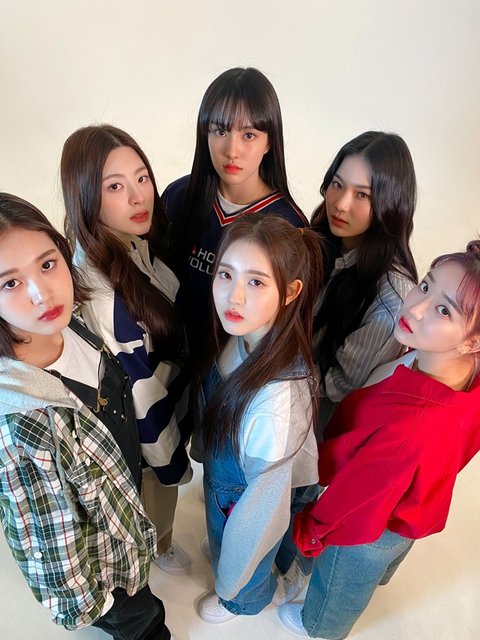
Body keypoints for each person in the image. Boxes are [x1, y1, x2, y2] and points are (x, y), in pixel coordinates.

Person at [278, 240, 480, 639]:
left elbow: (355, 501)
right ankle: (377, 577)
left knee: (341, 583)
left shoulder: (409, 426)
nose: (416, 307)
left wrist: (311, 530)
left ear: (472, 342)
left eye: (444, 310)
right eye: (426, 285)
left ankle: (319, 626)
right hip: (417, 503)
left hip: (372, 523)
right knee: (383, 560)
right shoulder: (459, 374)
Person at [0, 193, 174, 640]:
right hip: (104, 564)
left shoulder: (71, 323)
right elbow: (48, 541)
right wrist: (98, 601)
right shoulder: (21, 422)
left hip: (118, 501)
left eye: (47, 264)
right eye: (10, 283)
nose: (42, 293)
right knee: (141, 621)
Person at [60, 124, 192, 576]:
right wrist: (171, 464)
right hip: (148, 433)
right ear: (85, 198)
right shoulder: (106, 296)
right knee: (153, 500)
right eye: (115, 187)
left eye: (142, 178)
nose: (139, 197)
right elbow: (142, 398)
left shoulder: (127, 244)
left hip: (162, 406)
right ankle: (156, 550)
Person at [194, 214, 322, 624]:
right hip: (234, 486)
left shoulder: (275, 399)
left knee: (250, 556)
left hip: (246, 495)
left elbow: (261, 515)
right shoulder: (248, 333)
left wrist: (233, 577)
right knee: (232, 539)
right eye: (226, 274)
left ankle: (246, 599)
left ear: (291, 292)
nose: (233, 297)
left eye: (256, 282)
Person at [161, 66, 308, 360]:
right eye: (220, 131)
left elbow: (285, 329)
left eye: (249, 135)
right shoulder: (179, 196)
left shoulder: (288, 225)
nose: (232, 150)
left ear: (269, 141)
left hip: (231, 369)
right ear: (205, 133)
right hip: (164, 356)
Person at [311, 131, 418, 433]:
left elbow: (340, 384)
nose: (341, 204)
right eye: (337, 184)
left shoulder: (392, 297)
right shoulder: (322, 242)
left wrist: (267, 357)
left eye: (362, 195)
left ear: (390, 204)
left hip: (306, 437)